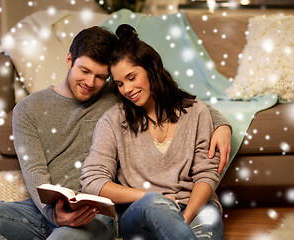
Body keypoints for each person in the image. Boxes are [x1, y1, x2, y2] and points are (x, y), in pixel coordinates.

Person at [0, 25, 229, 240]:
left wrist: (221, 124)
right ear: (69, 61)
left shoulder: (116, 94)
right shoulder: (28, 109)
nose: (91, 82)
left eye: (101, 77)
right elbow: (35, 173)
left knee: (62, 239)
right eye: (84, 71)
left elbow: (169, 97)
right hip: (45, 210)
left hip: (95, 215)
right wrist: (56, 215)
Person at [80, 24, 226, 240]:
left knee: (208, 226)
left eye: (132, 77)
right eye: (119, 84)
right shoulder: (113, 120)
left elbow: (207, 174)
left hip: (194, 207)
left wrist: (182, 221)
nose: (127, 89)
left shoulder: (197, 112)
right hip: (140, 210)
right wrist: (148, 196)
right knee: (155, 204)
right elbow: (92, 181)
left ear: (151, 69)